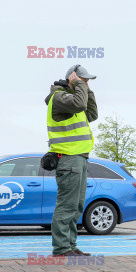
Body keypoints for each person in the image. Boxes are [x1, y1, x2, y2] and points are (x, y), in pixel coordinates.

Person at [44, 64, 98, 256]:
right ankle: (61, 248)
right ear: (72, 79)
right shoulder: (59, 98)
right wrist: (79, 85)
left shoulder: (73, 99)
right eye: (83, 80)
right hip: (69, 159)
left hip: (80, 158)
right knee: (67, 205)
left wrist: (87, 91)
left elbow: (91, 114)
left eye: (87, 82)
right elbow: (80, 105)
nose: (85, 84)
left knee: (76, 206)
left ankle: (70, 246)